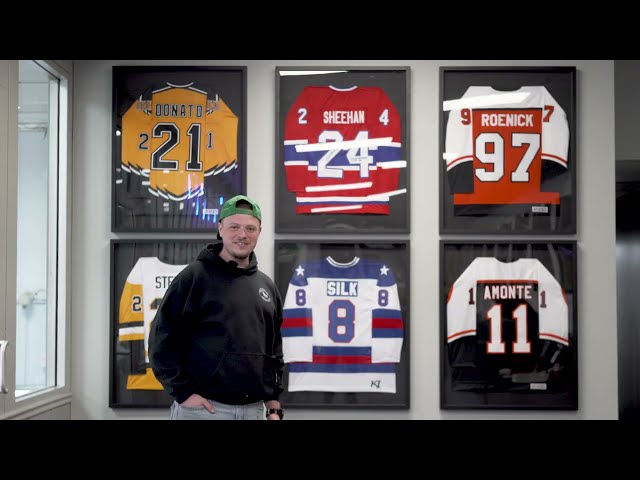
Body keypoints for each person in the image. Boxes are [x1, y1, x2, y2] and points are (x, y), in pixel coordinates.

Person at [148, 194, 284, 420]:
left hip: (253, 410)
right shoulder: (194, 277)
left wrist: (274, 405)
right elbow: (161, 340)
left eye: (250, 228)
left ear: (259, 232)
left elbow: (274, 352)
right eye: (234, 227)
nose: (242, 234)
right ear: (220, 229)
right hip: (205, 409)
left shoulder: (266, 286)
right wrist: (183, 393)